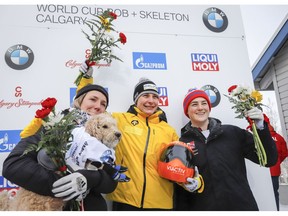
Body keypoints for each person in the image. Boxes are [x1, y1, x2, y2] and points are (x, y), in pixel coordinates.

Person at [76, 62, 184, 210]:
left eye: (155, 96)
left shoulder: (168, 130)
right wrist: (86, 79)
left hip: (160, 203)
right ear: (136, 98)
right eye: (145, 95)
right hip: (126, 201)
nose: (151, 101)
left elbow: (179, 164)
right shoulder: (119, 120)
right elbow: (89, 109)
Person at [2, 83, 119, 211]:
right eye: (93, 99)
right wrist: (63, 183)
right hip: (46, 207)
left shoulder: (103, 139)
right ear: (79, 101)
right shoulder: (53, 127)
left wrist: (91, 178)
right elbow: (13, 165)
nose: (98, 106)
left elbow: (111, 182)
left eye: (103, 104)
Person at [174, 88, 278, 211]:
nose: (200, 108)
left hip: (241, 207)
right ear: (187, 111)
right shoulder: (182, 144)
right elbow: (180, 191)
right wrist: (186, 186)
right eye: (194, 104)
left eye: (204, 103)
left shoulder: (233, 133)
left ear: (209, 107)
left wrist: (261, 127)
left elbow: (269, 160)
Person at [264, 114, 288, 211]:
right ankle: (276, 210)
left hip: (263, 171)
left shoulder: (261, 137)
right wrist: (277, 160)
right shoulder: (279, 138)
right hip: (274, 170)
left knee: (265, 192)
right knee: (274, 192)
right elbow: (285, 153)